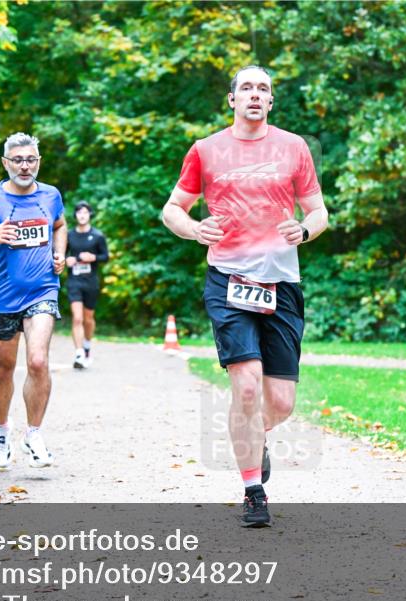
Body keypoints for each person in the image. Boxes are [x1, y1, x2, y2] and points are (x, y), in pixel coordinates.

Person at [162, 65, 328, 527]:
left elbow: (319, 213)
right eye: (247, 88)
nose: (255, 95)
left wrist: (305, 229)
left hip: (281, 282)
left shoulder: (294, 147)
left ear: (271, 102)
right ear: (231, 99)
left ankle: (255, 437)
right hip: (228, 278)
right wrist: (195, 230)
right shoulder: (206, 150)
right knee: (247, 385)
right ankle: (253, 490)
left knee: (279, 402)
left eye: (264, 89)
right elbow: (172, 208)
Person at [0, 132, 67, 469]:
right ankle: (2, 430)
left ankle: (34, 434)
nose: (24, 165)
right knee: (3, 368)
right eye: (17, 160)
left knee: (37, 361)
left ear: (38, 162)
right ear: (6, 163)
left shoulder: (51, 195)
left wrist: (59, 252)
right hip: (2, 297)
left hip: (42, 291)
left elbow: (60, 225)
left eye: (30, 159)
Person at [65, 201, 109, 369]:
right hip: (74, 281)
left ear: (90, 214)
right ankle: (79, 353)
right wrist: (66, 260)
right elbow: (61, 254)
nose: (82, 215)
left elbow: (105, 256)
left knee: (88, 319)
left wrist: (94, 258)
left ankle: (87, 346)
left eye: (85, 212)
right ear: (75, 215)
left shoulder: (97, 236)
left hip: (91, 282)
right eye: (79, 212)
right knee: (77, 318)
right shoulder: (69, 235)